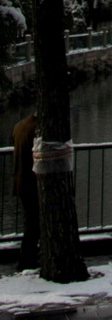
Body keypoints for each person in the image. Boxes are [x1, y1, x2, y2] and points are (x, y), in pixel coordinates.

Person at [11, 112, 39, 270]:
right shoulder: (37, 130)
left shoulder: (19, 125)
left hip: (20, 180)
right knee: (33, 223)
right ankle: (27, 259)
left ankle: (28, 257)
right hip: (31, 181)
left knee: (30, 221)